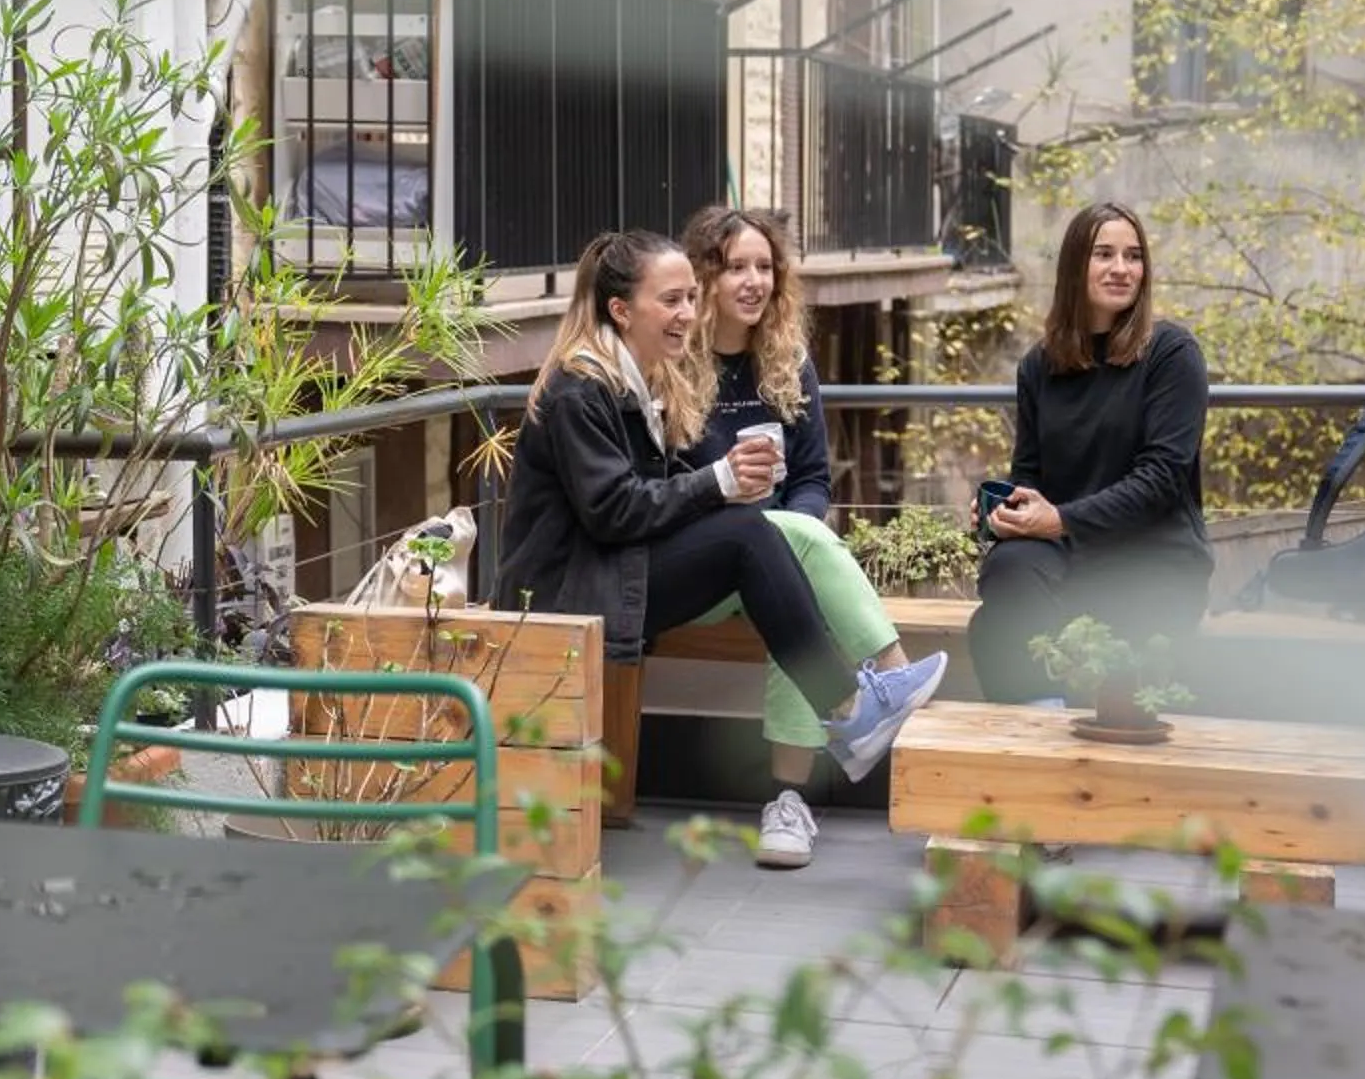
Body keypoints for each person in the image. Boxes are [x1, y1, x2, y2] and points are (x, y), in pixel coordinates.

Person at [495, 229, 950, 794]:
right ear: (620, 309)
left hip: (614, 569)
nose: (688, 313)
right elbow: (613, 511)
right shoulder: (580, 391)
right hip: (570, 591)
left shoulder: (633, 376)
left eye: (690, 297)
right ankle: (859, 701)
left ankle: (858, 707)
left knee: (761, 534)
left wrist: (723, 486)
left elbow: (651, 491)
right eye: (671, 300)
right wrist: (718, 482)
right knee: (748, 536)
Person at [680, 203, 913, 868]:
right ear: (705, 279)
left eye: (764, 267)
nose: (753, 281)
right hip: (698, 565)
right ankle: (891, 682)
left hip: (775, 556)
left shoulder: (789, 363)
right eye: (735, 268)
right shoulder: (675, 367)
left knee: (788, 569)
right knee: (781, 554)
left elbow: (813, 478)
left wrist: (797, 527)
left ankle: (788, 803)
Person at [967, 201, 1213, 702]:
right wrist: (1007, 514)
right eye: (1104, 254)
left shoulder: (1171, 354)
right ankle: (1050, 718)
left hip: (1152, 557)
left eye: (1133, 255)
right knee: (1006, 567)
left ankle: (1049, 720)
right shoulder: (1040, 366)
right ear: (1075, 265)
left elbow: (1162, 479)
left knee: (994, 631)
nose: (1121, 269)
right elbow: (1030, 476)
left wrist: (1058, 520)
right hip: (1074, 555)